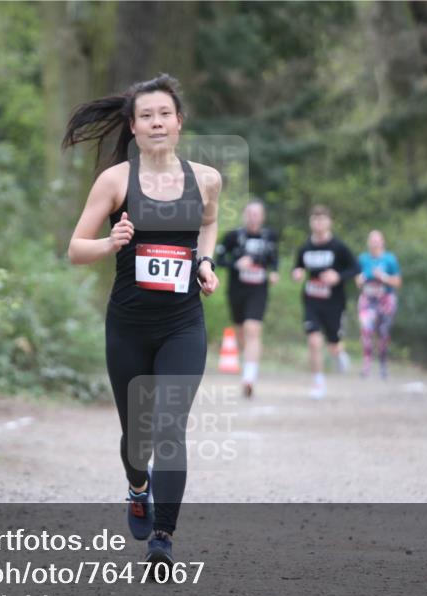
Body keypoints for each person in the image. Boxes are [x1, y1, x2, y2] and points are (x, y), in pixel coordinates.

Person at [65, 74, 221, 565]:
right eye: (146, 116)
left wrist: (205, 262)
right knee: (138, 436)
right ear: (133, 127)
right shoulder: (115, 181)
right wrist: (111, 242)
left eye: (164, 114)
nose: (157, 122)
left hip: (183, 323)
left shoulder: (207, 178)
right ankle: (137, 487)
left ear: (179, 122)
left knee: (171, 428)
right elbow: (74, 250)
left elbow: (210, 221)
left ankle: (163, 537)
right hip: (129, 324)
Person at [291, 205, 359, 399]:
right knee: (313, 340)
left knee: (333, 344)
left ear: (330, 222)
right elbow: (298, 267)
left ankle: (338, 353)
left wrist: (338, 276)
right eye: (315, 220)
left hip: (334, 302)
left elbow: (355, 268)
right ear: (311, 223)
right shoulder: (305, 247)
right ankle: (318, 383)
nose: (318, 224)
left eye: (322, 220)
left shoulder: (339, 247)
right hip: (311, 300)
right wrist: (297, 273)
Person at [215, 199, 279, 398]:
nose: (253, 217)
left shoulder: (270, 237)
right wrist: (236, 264)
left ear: (262, 217)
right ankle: (248, 364)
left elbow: (274, 258)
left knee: (253, 328)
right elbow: (219, 259)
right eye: (250, 213)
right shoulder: (232, 236)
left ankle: (249, 379)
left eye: (257, 214)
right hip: (237, 290)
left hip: (258, 290)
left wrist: (275, 272)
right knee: (241, 332)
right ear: (244, 215)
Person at [355, 230, 402, 379]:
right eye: (372, 240)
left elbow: (398, 282)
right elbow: (357, 280)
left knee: (383, 334)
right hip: (367, 300)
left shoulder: (390, 259)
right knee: (366, 331)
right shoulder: (362, 259)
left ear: (382, 242)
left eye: (377, 240)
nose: (374, 243)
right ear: (368, 242)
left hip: (385, 300)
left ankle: (382, 363)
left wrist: (384, 277)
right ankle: (366, 364)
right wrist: (360, 280)